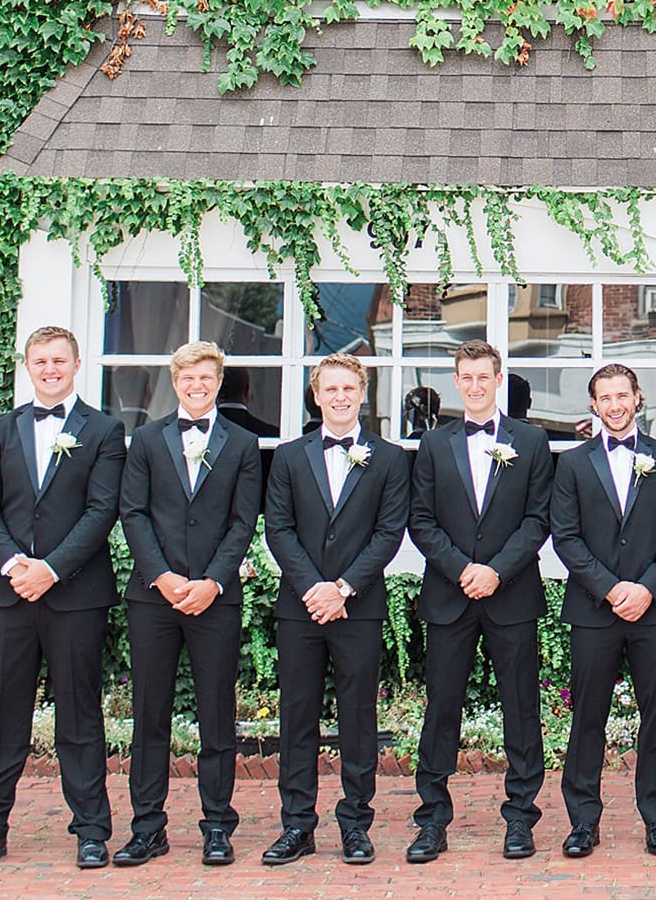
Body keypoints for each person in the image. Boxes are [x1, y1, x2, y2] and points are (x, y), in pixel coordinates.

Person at [0, 327, 127, 870]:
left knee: (80, 714)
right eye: (40, 360)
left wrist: (51, 569)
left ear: (77, 364)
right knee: (4, 715)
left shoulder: (104, 430)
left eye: (59, 359)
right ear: (27, 366)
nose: (50, 368)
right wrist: (14, 565)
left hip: (75, 594)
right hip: (7, 594)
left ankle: (92, 830)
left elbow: (102, 510)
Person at [113, 341, 263, 868]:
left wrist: (213, 582)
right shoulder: (148, 440)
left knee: (217, 715)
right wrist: (164, 577)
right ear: (174, 382)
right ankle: (147, 827)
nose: (196, 386)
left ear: (219, 382)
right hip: (154, 598)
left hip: (215, 599)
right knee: (149, 716)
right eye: (187, 379)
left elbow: (244, 521)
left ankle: (217, 826)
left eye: (206, 378)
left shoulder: (243, 444)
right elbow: (133, 513)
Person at [259, 353, 411, 866]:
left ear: (362, 393)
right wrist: (313, 589)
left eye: (349, 388)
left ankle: (355, 824)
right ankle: (297, 825)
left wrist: (342, 587)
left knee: (358, 718)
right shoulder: (287, 456)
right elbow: (278, 529)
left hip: (359, 606)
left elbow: (390, 533)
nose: (340, 397)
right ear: (316, 395)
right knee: (296, 717)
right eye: (331, 389)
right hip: (300, 608)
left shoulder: (389, 459)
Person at [406, 340, 554, 862]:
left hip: (511, 594)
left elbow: (539, 519)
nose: (473, 387)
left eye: (482, 378)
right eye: (465, 378)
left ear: (497, 380)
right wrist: (462, 569)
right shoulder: (433, 443)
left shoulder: (531, 442)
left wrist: (495, 571)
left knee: (522, 711)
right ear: (457, 382)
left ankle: (520, 818)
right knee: (441, 710)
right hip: (449, 595)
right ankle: (431, 820)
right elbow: (419, 519)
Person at [549, 364, 656, 858]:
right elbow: (565, 536)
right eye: (604, 398)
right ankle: (583, 822)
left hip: (654, 610)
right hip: (594, 608)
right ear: (594, 405)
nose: (614, 405)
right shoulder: (571, 464)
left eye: (621, 396)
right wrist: (611, 590)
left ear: (638, 398)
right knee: (588, 716)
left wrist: (648, 589)